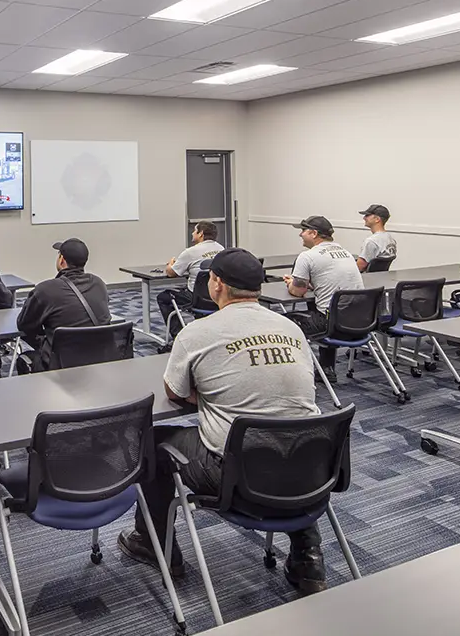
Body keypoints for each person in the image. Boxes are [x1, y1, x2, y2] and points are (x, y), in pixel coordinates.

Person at [116, 249, 327, 593]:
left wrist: (213, 395)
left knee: (152, 440)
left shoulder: (198, 333)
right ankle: (308, 557)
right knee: (288, 435)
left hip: (239, 476)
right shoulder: (291, 328)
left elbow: (174, 391)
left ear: (216, 284)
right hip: (314, 470)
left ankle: (157, 545)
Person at [282, 216, 364, 377]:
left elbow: (298, 291)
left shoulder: (307, 257)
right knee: (320, 308)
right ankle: (327, 369)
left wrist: (291, 283)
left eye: (302, 231)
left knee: (283, 322)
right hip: (359, 323)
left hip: (331, 325)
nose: (300, 235)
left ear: (313, 233)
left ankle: (295, 375)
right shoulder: (345, 252)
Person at [15, 239, 110, 373]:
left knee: (24, 360)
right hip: (100, 359)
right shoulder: (99, 284)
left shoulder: (45, 290)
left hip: (60, 365)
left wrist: (45, 342)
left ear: (61, 260)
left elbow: (25, 325)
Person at [157, 221, 225, 340]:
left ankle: (178, 335)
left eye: (195, 230)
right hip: (219, 296)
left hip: (197, 298)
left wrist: (170, 264)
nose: (192, 233)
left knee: (164, 297)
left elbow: (172, 273)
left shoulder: (190, 252)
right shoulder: (221, 249)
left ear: (201, 234)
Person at [356, 204, 397, 272]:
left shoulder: (371, 241)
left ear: (377, 219)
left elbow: (360, 267)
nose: (364, 218)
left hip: (368, 279)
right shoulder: (391, 240)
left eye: (367, 215)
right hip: (380, 277)